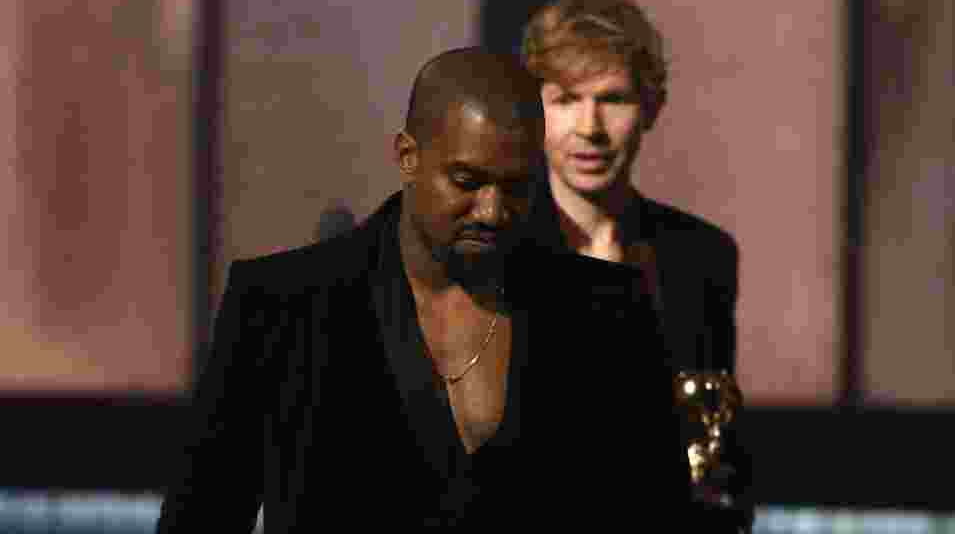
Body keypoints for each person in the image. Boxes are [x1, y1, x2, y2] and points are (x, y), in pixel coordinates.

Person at [156, 47, 687, 530]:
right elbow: (202, 515)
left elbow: (657, 517)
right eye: (467, 180)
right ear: (409, 157)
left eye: (516, 187)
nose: (492, 211)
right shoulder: (282, 305)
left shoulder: (607, 310)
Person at [521, 0, 753, 528]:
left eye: (613, 99)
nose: (590, 128)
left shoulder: (703, 256)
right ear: (534, 110)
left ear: (650, 109)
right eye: (565, 100)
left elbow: (715, 442)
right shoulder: (496, 249)